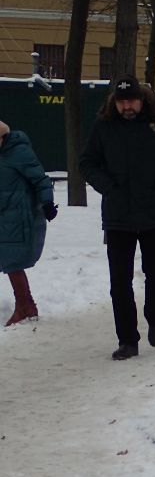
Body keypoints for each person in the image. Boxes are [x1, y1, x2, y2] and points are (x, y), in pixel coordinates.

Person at [80, 76, 155, 360]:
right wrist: (107, 188)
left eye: (131, 101)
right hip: (118, 216)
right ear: (114, 103)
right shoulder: (104, 126)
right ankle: (127, 339)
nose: (126, 106)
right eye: (121, 102)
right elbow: (87, 163)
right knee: (119, 281)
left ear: (142, 100)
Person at [0, 118, 57, 326]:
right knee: (9, 261)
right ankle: (26, 305)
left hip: (18, 216)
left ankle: (25, 306)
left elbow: (40, 179)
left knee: (12, 261)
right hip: (5, 216)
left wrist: (48, 203)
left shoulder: (18, 152)